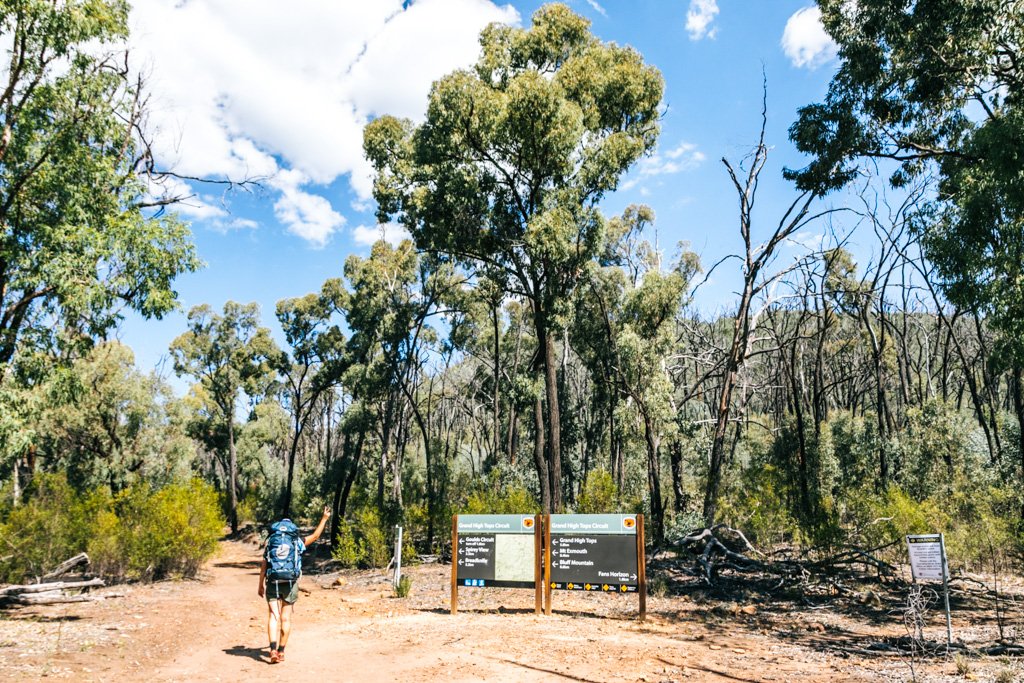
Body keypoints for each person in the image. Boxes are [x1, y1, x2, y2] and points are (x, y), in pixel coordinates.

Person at [258, 506, 331, 664]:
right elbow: (316, 536)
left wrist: (260, 585)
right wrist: (324, 518)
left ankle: (272, 650)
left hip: (272, 581)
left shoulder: (271, 540)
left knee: (273, 616)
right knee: (285, 618)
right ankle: (281, 651)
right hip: (290, 582)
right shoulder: (296, 541)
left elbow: (264, 564)